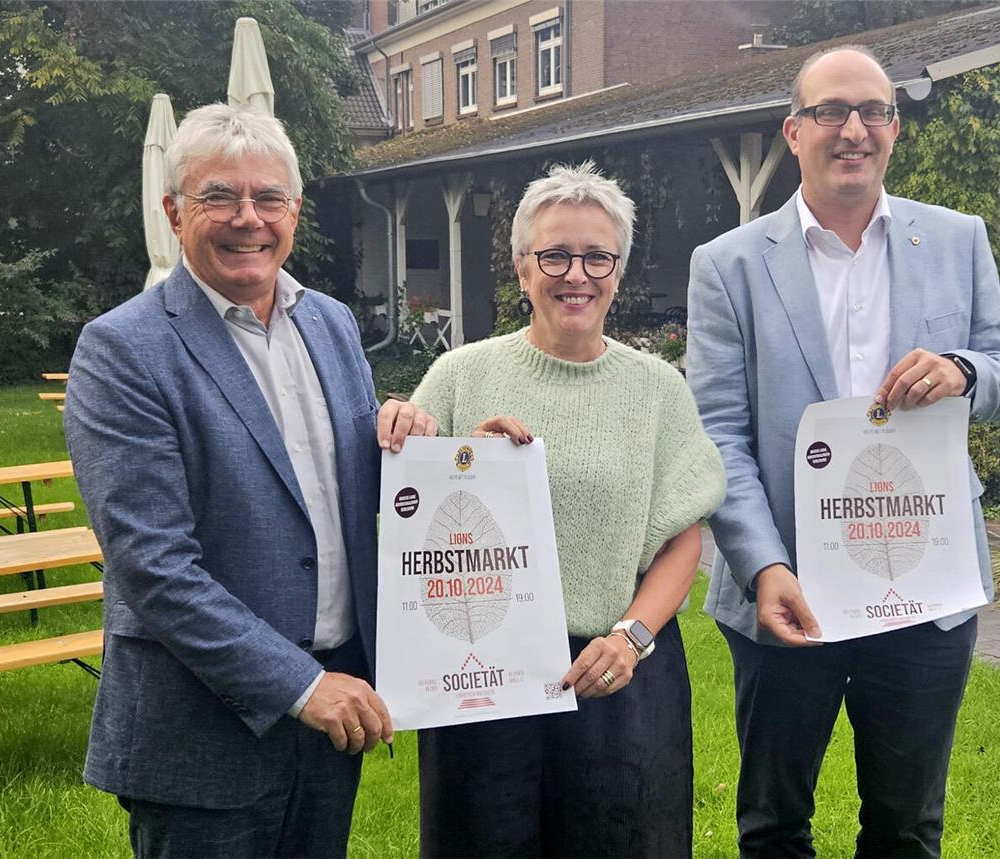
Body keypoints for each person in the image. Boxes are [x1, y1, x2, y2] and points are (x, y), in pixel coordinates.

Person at [65, 103, 434, 857]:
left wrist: (440, 453)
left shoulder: (329, 322)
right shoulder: (123, 351)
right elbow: (155, 567)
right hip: (201, 727)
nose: (248, 219)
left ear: (295, 210)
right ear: (174, 212)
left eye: (269, 198)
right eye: (218, 198)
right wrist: (300, 684)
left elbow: (349, 487)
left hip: (339, 704)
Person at [686, 47, 1000, 858]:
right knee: (774, 825)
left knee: (907, 827)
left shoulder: (954, 239)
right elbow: (718, 433)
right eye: (832, 111)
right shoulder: (726, 266)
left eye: (873, 111)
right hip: (788, 587)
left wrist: (963, 371)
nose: (854, 130)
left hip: (925, 583)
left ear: (895, 129)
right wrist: (764, 567)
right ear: (793, 131)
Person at [407, 161, 726, 857]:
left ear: (619, 270)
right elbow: (408, 517)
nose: (575, 273)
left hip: (618, 675)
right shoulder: (461, 376)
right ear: (523, 269)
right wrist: (462, 466)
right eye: (554, 254)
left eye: (595, 256)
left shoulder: (658, 389)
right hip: (482, 678)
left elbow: (682, 536)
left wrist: (632, 636)